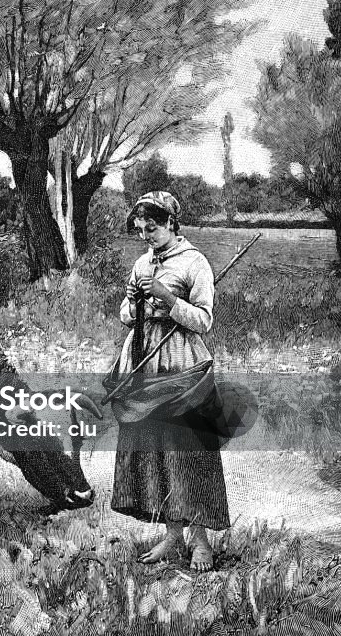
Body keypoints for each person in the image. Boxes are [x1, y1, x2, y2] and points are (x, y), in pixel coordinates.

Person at [106, 190, 230, 572]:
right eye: (141, 229)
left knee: (185, 449)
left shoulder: (195, 263)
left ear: (172, 223)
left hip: (180, 366)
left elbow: (204, 320)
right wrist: (133, 303)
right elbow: (127, 316)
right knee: (155, 450)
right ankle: (173, 535)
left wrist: (167, 298)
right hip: (144, 362)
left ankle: (202, 542)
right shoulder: (142, 263)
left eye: (153, 227)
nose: (147, 235)